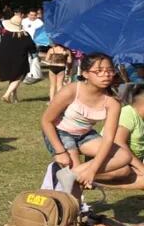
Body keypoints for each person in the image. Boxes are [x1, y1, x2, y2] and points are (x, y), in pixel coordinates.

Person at [41, 53, 144, 190]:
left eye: (109, 70)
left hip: (85, 134)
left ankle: (67, 174)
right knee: (75, 172)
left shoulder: (113, 101)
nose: (106, 75)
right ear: (85, 74)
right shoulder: (71, 90)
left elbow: (108, 138)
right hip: (60, 132)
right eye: (98, 71)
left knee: (124, 157)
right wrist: (60, 152)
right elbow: (46, 121)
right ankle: (74, 203)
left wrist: (92, 170)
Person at [0, 14, 36, 104]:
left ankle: (14, 97)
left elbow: (1, 46)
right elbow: (31, 47)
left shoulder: (6, 35)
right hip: (20, 59)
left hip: (5, 59)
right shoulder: (25, 35)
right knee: (19, 76)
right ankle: (7, 94)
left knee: (12, 77)